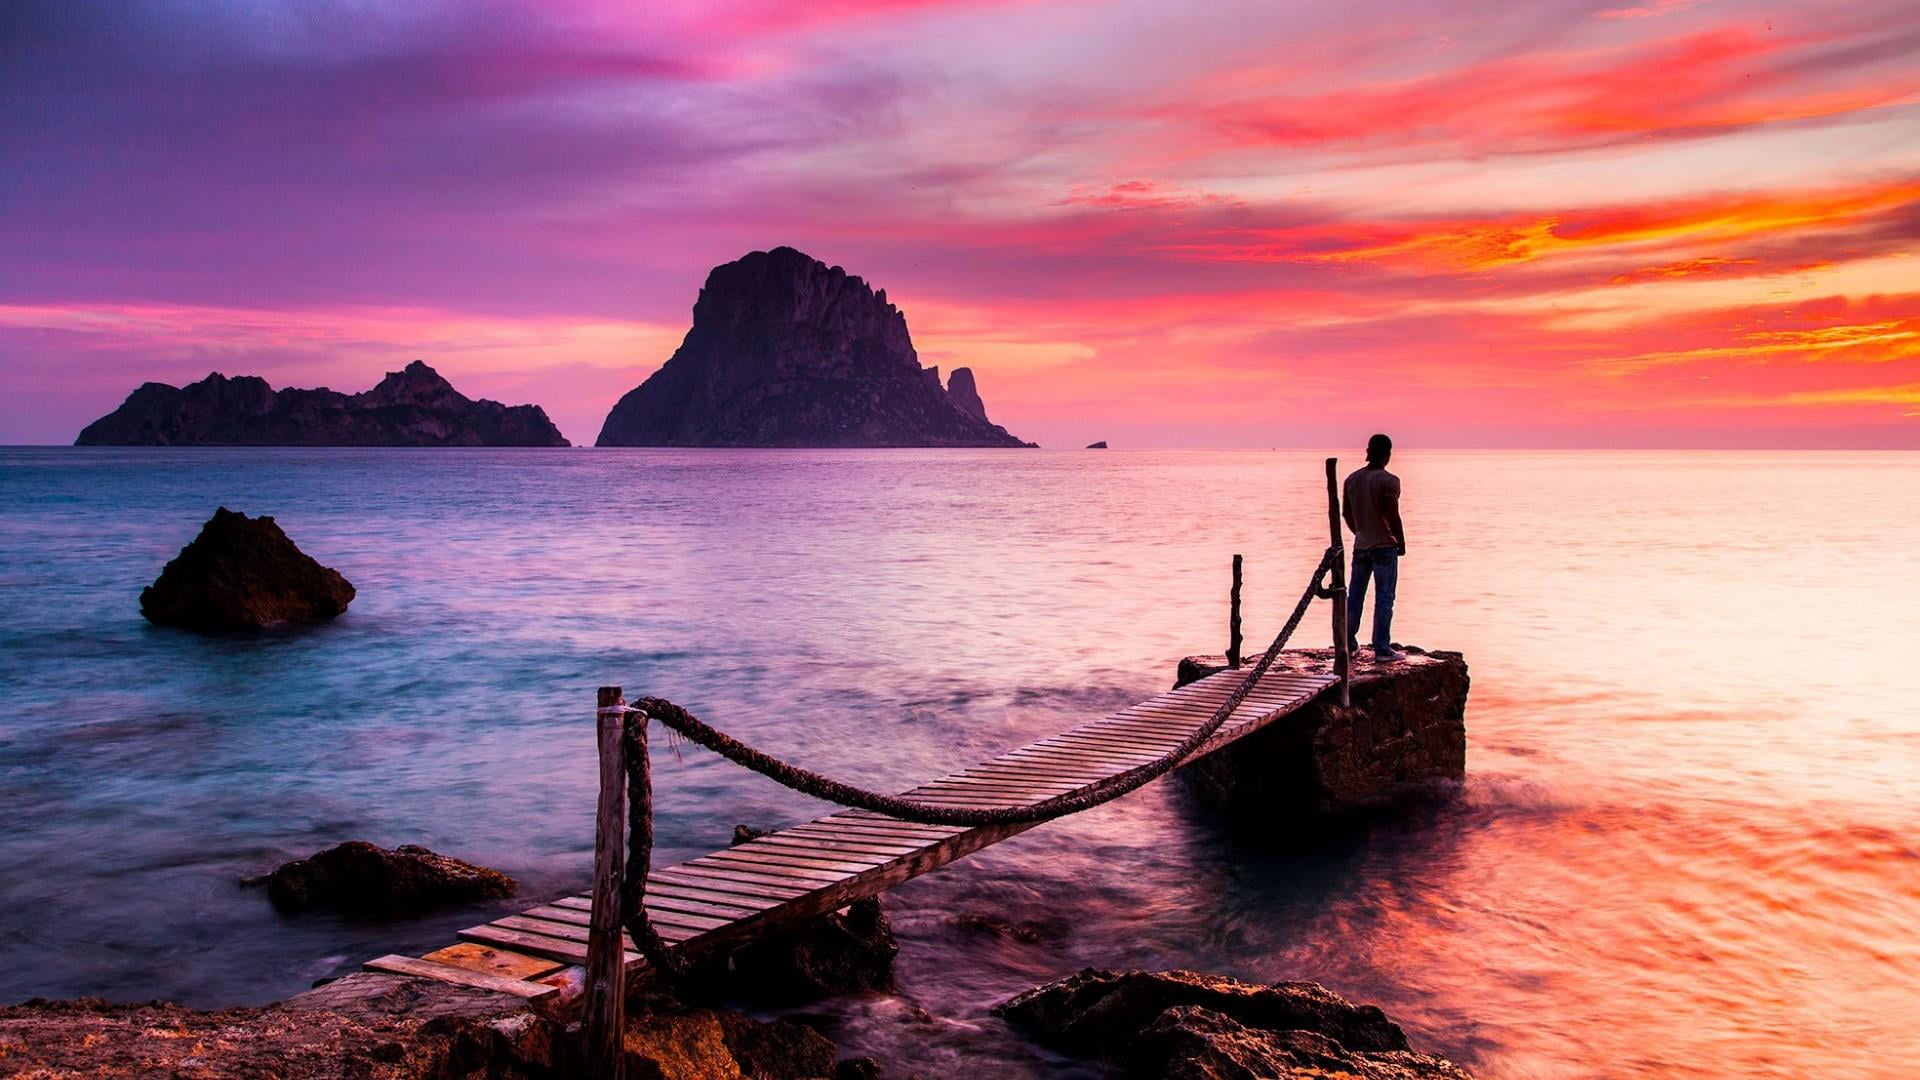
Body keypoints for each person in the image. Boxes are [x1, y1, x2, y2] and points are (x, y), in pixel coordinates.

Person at [1342, 434, 1406, 663]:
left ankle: (1347, 644)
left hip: (1361, 546)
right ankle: (1382, 648)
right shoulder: (1389, 481)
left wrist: (1359, 532)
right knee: (1384, 597)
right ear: (1387, 453)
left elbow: (1346, 514)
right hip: (1384, 546)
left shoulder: (1352, 479)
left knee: (1354, 597)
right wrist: (1400, 540)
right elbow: (1392, 514)